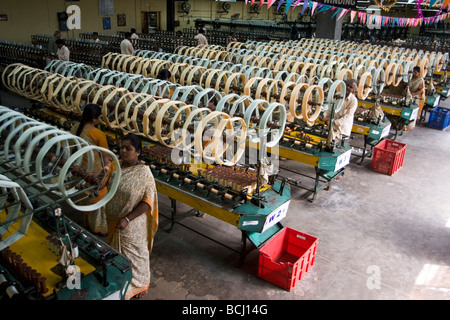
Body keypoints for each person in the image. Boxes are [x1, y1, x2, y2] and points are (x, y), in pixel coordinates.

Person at [104, 133, 159, 300]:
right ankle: (120, 280)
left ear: (138, 152)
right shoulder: (117, 167)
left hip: (132, 223)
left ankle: (139, 284)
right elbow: (106, 184)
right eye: (122, 148)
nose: (123, 151)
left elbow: (147, 201)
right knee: (117, 254)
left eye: (128, 148)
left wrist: (127, 219)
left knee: (135, 255)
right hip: (114, 220)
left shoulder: (144, 173)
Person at [71, 104, 110, 236]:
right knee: (99, 195)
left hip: (78, 169)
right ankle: (99, 227)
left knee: (83, 193)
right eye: (99, 117)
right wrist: (107, 167)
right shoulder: (98, 134)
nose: (100, 119)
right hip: (93, 172)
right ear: (94, 119)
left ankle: (87, 222)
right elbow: (106, 155)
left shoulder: (76, 127)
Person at [320, 79, 358, 143]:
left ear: (353, 90)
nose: (348, 88)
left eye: (351, 87)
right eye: (347, 85)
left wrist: (333, 122)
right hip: (331, 128)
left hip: (342, 131)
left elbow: (347, 117)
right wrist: (324, 115)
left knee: (332, 146)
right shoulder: (338, 95)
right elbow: (330, 108)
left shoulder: (353, 101)